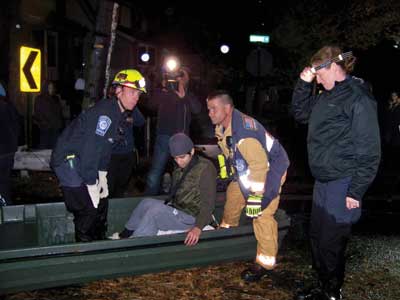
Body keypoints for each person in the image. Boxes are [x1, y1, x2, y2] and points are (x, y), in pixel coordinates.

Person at [291, 46, 381, 300]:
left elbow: (370, 150)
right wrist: (302, 83)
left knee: (331, 242)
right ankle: (322, 284)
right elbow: (300, 113)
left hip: (344, 181)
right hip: (323, 180)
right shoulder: (325, 96)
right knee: (317, 237)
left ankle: (332, 292)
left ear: (332, 67)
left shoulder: (358, 98)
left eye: (319, 74)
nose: (316, 80)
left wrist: (356, 190)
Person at [50, 69, 147, 242]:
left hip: (83, 159)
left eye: (138, 94)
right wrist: (91, 184)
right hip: (68, 160)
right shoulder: (105, 114)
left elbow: (105, 148)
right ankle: (84, 250)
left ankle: (99, 240)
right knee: (87, 207)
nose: (136, 97)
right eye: (132, 92)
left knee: (102, 202)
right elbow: (91, 150)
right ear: (118, 91)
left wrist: (102, 176)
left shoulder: (119, 113)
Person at [206, 90, 289, 282]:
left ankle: (265, 264)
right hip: (251, 169)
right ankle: (227, 231)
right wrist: (227, 172)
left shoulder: (243, 132)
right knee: (234, 194)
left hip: (270, 170)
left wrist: (256, 197)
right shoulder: (223, 126)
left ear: (227, 109)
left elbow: (260, 166)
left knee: (261, 215)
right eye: (208, 109)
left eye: (213, 109)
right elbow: (229, 152)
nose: (209, 113)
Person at [115, 133, 216, 246]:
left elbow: (209, 203)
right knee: (147, 202)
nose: (179, 161)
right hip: (178, 208)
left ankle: (134, 246)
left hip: (191, 216)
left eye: (182, 157)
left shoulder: (205, 168)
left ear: (192, 151)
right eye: (175, 158)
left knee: (155, 213)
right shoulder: (180, 166)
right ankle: (122, 236)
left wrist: (197, 228)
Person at [144, 67, 201, 195]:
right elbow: (151, 104)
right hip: (165, 137)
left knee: (182, 175)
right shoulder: (165, 92)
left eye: (182, 75)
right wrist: (163, 88)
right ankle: (148, 203)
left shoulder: (188, 94)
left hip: (183, 139)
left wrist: (184, 95)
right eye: (177, 75)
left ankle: (178, 202)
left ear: (187, 78)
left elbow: (197, 109)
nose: (179, 78)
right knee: (155, 174)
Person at [107, 103, 145, 198]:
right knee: (109, 186)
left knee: (122, 185)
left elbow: (141, 121)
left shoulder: (131, 106)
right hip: (111, 153)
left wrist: (131, 119)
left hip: (127, 152)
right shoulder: (107, 107)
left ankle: (118, 206)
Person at [0, 82, 20, 206]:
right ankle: (7, 204)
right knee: (5, 181)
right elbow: (17, 127)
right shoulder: (10, 107)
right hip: (8, 151)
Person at [33, 81, 64, 149]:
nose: (51, 89)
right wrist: (45, 123)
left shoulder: (55, 98)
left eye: (52, 88)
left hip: (55, 128)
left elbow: (59, 112)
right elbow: (38, 113)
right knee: (44, 147)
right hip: (46, 128)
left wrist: (59, 123)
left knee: (54, 147)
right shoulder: (40, 99)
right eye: (49, 88)